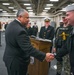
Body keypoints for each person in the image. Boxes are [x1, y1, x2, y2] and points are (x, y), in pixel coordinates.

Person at [3, 9, 54, 75]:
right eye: (27, 18)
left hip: (10, 59)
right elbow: (28, 49)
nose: (29, 20)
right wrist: (44, 55)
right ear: (20, 17)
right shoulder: (20, 30)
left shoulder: (11, 25)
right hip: (17, 63)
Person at [55, 4, 74, 75]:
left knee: (67, 67)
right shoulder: (60, 28)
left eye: (68, 15)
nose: (66, 18)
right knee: (59, 64)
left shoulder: (71, 29)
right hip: (61, 48)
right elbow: (67, 45)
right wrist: (56, 54)